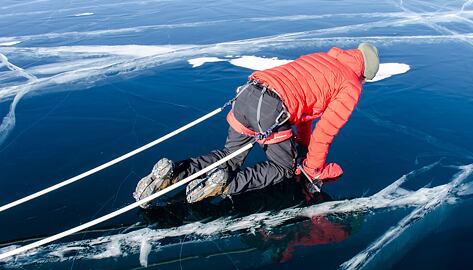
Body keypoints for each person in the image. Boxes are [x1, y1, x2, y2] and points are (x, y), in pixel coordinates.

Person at [133, 43, 379, 207]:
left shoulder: (322, 59)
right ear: (365, 74)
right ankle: (225, 184)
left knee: (229, 156)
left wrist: (302, 145)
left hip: (249, 92)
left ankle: (173, 173)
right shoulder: (350, 86)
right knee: (282, 168)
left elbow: (306, 113)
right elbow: (325, 131)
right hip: (273, 108)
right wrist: (314, 170)